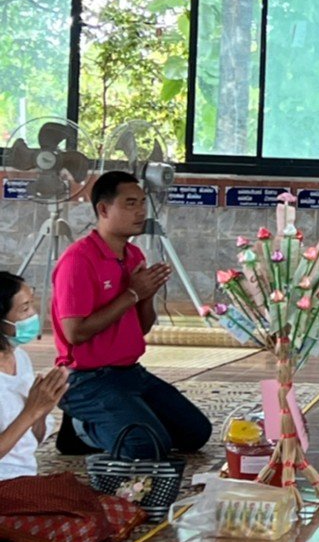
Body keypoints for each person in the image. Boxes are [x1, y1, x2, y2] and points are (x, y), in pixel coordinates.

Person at [51, 172, 212, 459]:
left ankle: (122, 418)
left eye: (142, 203)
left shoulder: (134, 255)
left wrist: (146, 296)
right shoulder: (78, 260)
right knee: (146, 447)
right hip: (87, 379)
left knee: (196, 432)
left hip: (129, 372)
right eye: (130, 203)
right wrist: (133, 294)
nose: (140, 212)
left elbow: (142, 327)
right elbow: (76, 333)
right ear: (103, 209)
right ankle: (79, 427)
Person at [0, 273, 69, 481]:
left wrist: (42, 412)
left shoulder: (20, 358)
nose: (33, 314)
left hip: (25, 478)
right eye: (24, 309)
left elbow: (30, 443)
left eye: (31, 304)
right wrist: (31, 411)